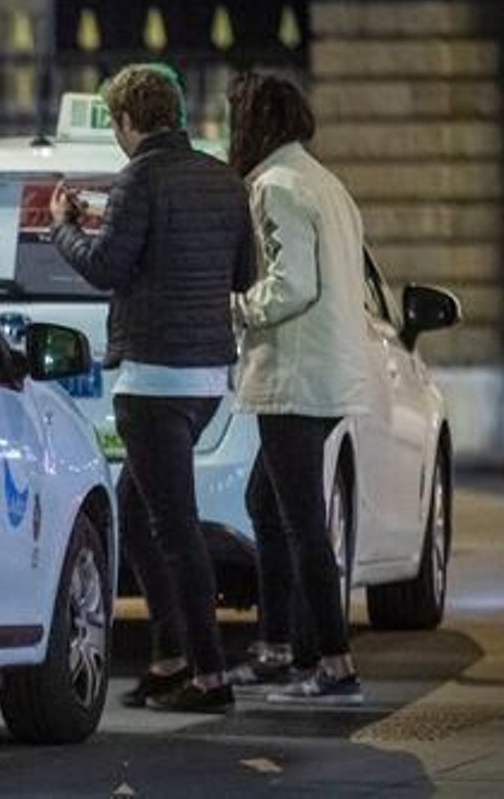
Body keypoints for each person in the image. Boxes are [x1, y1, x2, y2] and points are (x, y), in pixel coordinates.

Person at [52, 66, 257, 713]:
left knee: (172, 527)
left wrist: (64, 227)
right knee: (135, 514)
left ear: (126, 121)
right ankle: (170, 661)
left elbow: (106, 267)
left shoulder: (139, 176)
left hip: (153, 380)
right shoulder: (223, 178)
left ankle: (209, 676)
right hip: (206, 382)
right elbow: (245, 271)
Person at [225, 71, 370, 705]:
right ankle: (277, 646)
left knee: (302, 521)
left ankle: (333, 663)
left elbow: (292, 284)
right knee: (266, 502)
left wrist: (235, 306)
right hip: (325, 373)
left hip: (293, 375)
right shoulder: (324, 182)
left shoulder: (277, 186)